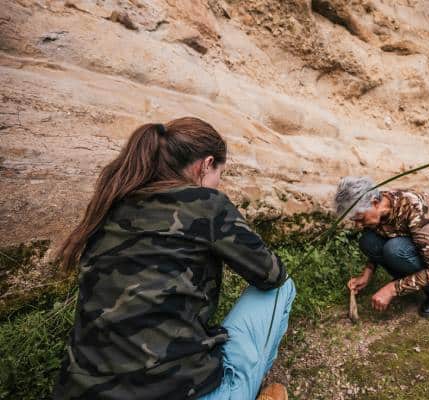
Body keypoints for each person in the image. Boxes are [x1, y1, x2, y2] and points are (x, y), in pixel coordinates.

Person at [53, 117, 294, 400]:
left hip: (78, 392)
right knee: (284, 288)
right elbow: (271, 274)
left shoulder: (112, 203)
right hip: (177, 392)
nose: (218, 183)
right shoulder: (206, 202)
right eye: (220, 174)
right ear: (206, 164)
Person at [335, 177, 429, 318]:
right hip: (419, 245)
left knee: (395, 250)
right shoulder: (380, 206)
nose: (358, 225)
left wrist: (391, 289)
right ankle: (411, 281)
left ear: (374, 203)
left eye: (360, 218)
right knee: (367, 241)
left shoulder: (414, 209)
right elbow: (382, 236)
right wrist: (366, 275)